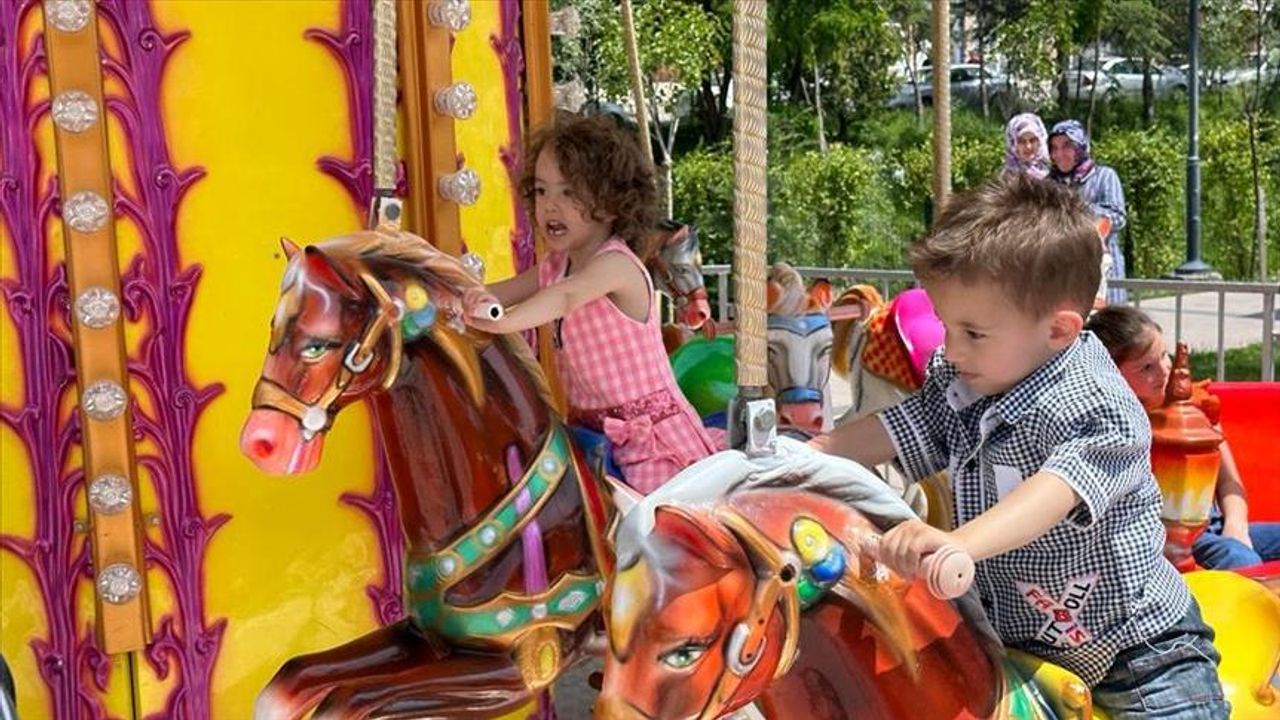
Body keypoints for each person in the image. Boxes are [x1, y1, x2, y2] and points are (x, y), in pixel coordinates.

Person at [811, 174, 1227, 718]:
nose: (951, 350)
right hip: (1010, 641)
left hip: (1138, 654)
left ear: (1057, 331)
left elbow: (1055, 490)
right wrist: (811, 453)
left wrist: (957, 543)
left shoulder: (1099, 407)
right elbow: (906, 425)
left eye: (973, 333)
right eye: (945, 327)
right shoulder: (967, 379)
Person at [463, 114, 716, 495]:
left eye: (570, 193)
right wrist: (456, 298)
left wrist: (500, 323)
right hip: (591, 437)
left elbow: (568, 296)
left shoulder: (617, 265)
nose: (550, 206)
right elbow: (503, 290)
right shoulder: (555, 266)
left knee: (656, 525)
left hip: (650, 442)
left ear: (612, 204)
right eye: (542, 191)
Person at [1087, 305, 1280, 570]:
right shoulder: (1114, 428)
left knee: (1237, 549)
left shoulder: (1198, 407)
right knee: (1239, 559)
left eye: (1163, 355)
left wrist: (1236, 527)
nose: (1164, 370)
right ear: (1112, 375)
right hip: (1168, 542)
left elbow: (1230, 484)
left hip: (1215, 527)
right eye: (1146, 367)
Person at [1048, 119, 1128, 304]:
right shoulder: (1048, 184)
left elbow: (1117, 217)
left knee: (1109, 320)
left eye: (1067, 146)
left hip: (1103, 270)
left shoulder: (1104, 176)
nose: (1059, 154)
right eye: (1054, 148)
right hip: (1064, 274)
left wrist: (1075, 209)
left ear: (1080, 146)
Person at [1003, 112, 1049, 179]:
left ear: (1040, 141)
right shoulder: (1007, 178)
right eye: (1022, 141)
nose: (1028, 146)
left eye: (1032, 140)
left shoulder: (1052, 170)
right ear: (1013, 144)